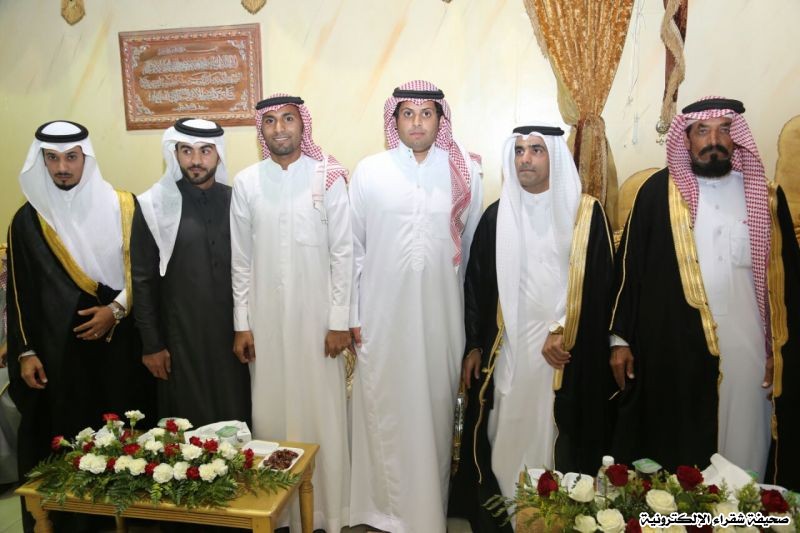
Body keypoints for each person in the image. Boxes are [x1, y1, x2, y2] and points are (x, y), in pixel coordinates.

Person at [610, 97, 800, 488]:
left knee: (747, 444)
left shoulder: (765, 197)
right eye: (702, 130)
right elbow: (629, 271)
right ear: (687, 137)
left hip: (750, 351)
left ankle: (745, 515)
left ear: (736, 137)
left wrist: (780, 352)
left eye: (724, 129)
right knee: (683, 451)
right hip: (675, 351)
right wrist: (620, 339)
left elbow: (790, 283)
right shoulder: (656, 194)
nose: (714, 140)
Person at [449, 124, 616, 531]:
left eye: (536, 150)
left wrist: (565, 329)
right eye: (519, 150)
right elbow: (476, 286)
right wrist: (474, 345)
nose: (525, 159)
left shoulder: (585, 213)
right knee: (504, 429)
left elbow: (602, 285)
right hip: (509, 349)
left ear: (554, 156)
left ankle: (555, 517)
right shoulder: (497, 216)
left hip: (566, 353)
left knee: (555, 430)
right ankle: (507, 517)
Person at [348, 80, 484, 533]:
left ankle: (426, 513)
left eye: (427, 114)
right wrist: (352, 315)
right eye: (408, 113)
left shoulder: (464, 171)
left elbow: (470, 249)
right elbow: (353, 249)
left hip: (440, 318)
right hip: (380, 316)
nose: (418, 122)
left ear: (441, 120)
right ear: (395, 119)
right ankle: (378, 511)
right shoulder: (369, 171)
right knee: (383, 408)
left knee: (433, 411)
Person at [5, 120, 154, 530]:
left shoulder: (124, 206)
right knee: (69, 440)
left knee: (127, 434)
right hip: (59, 357)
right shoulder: (27, 221)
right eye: (52, 159)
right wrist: (26, 352)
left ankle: (135, 521)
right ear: (41, 162)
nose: (62, 168)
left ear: (85, 158)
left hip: (120, 346)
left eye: (71, 157)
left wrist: (115, 311)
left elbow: (146, 271)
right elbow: (18, 292)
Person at [230, 94, 352, 532]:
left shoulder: (328, 177)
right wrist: (241, 324)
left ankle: (327, 512)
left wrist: (339, 322)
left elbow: (344, 253)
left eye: (288, 119)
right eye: (270, 121)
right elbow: (241, 260)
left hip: (319, 324)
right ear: (261, 130)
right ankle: (277, 513)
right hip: (265, 323)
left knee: (323, 414)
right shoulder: (247, 183)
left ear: (303, 126)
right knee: (271, 412)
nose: (280, 128)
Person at [131, 118, 250, 428]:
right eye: (186, 151)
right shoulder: (153, 206)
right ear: (175, 153)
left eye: (205, 151)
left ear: (219, 154)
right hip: (180, 340)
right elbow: (142, 281)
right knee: (189, 431)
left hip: (233, 336)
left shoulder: (237, 200)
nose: (196, 160)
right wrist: (152, 345)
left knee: (237, 420)